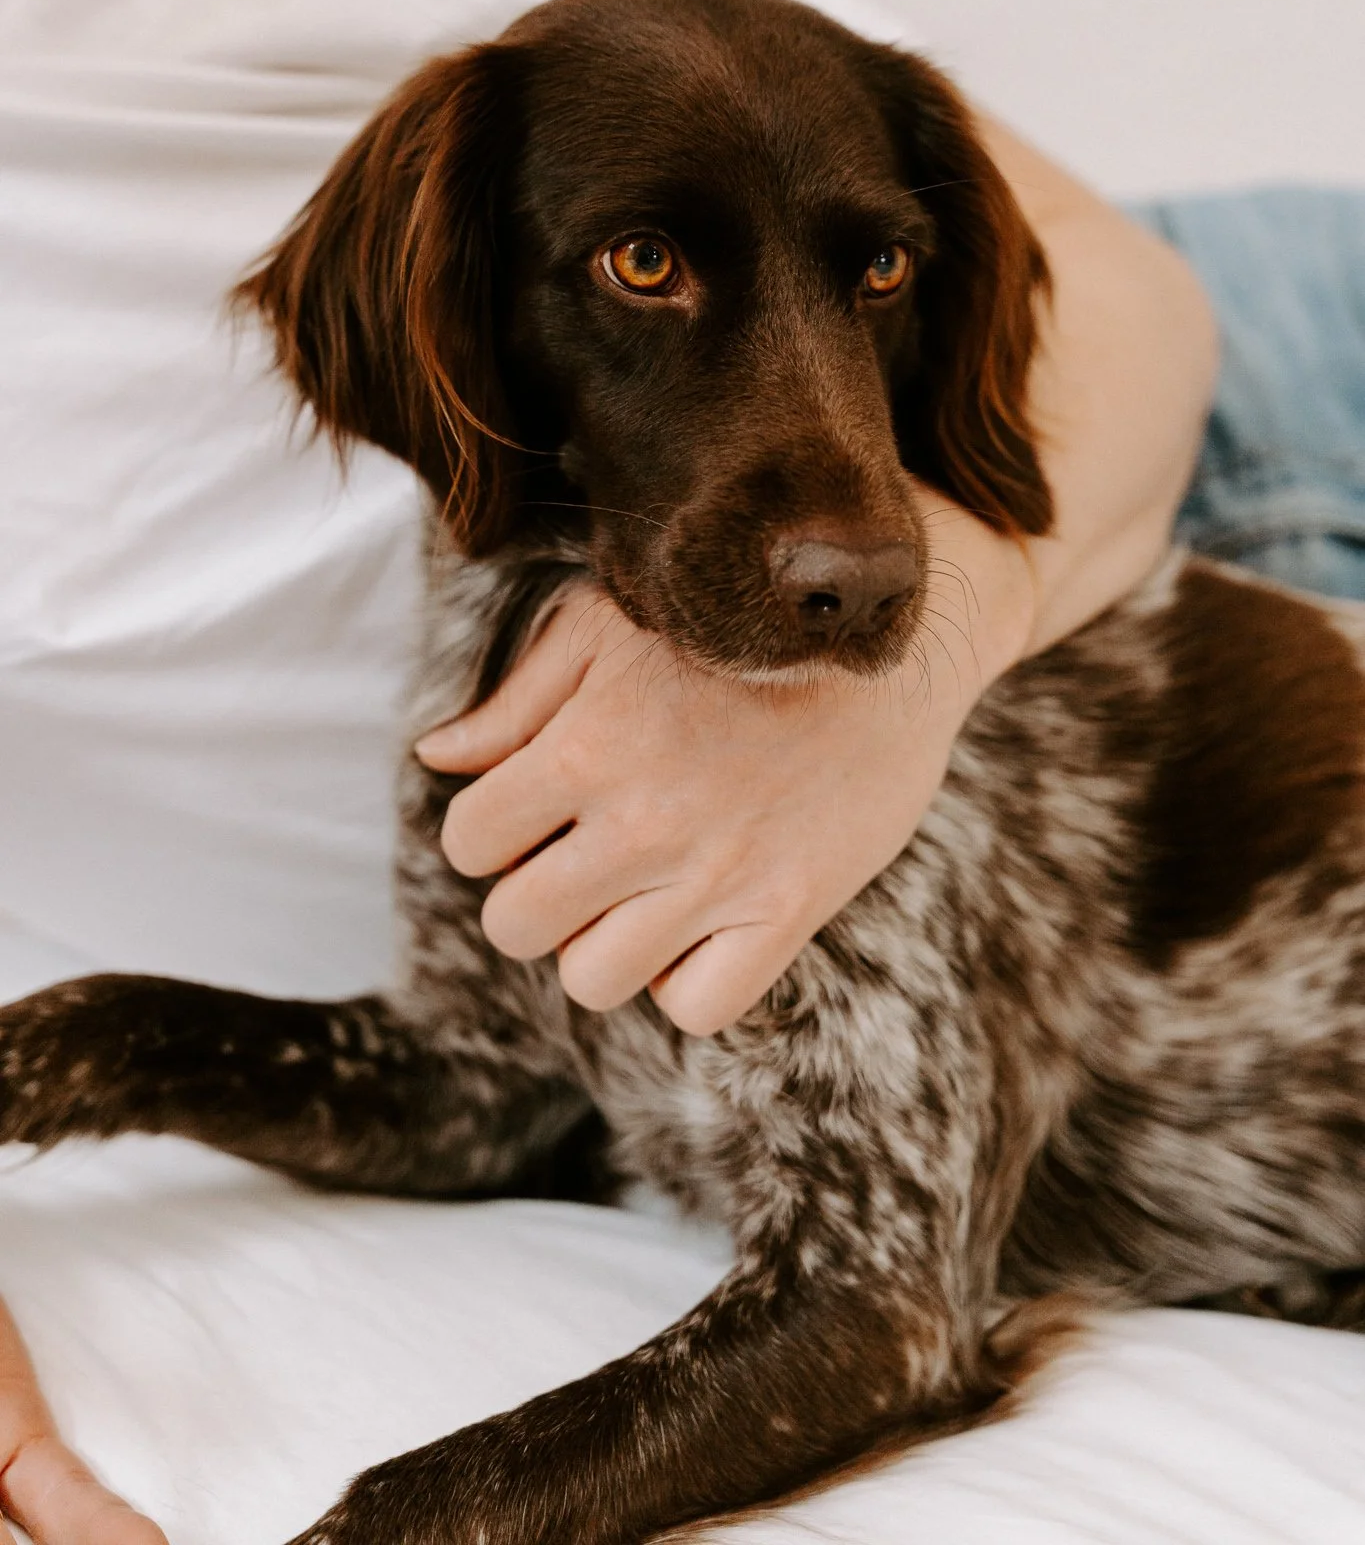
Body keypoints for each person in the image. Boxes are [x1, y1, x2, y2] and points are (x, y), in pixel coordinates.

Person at [1, 112, 1226, 1545]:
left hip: (1265, 391)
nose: (846, 548)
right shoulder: (492, 624)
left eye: (875, 272)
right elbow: (479, 1096)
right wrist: (67, 1056)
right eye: (646, 263)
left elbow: (879, 1309)